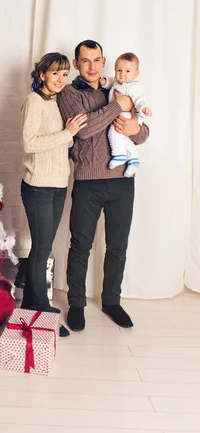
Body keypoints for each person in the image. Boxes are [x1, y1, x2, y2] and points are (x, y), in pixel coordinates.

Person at [57, 40, 149, 332]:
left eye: (97, 60)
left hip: (123, 180)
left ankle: (111, 300)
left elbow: (141, 130)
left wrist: (136, 128)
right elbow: (83, 131)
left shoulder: (118, 89)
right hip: (88, 180)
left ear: (104, 61)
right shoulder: (69, 93)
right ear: (76, 64)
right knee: (81, 245)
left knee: (118, 246)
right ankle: (77, 304)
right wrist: (116, 107)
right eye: (85, 61)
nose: (92, 66)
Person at [19, 52, 87, 337]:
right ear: (42, 74)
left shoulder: (57, 101)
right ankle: (42, 308)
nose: (60, 79)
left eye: (64, 74)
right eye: (55, 73)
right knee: (41, 249)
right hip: (38, 187)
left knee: (43, 247)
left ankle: (29, 307)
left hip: (59, 184)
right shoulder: (34, 102)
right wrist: (67, 133)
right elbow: (28, 143)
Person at [100, 52, 152, 177]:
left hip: (129, 116)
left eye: (127, 71)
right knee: (124, 139)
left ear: (136, 74)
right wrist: (104, 82)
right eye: (119, 70)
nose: (122, 74)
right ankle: (134, 159)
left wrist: (143, 108)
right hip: (122, 113)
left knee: (113, 131)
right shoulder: (119, 83)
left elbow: (140, 100)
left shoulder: (135, 87)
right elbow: (111, 82)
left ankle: (119, 155)